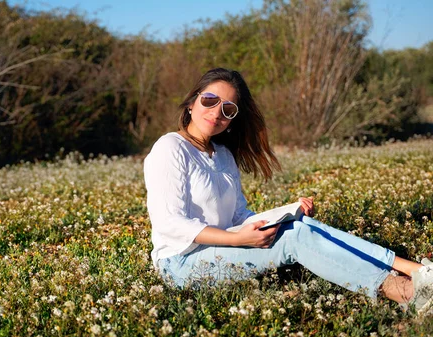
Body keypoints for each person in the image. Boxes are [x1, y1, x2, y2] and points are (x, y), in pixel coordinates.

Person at [143, 68, 433, 314]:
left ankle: (415, 270)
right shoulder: (171, 148)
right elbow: (170, 223)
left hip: (221, 246)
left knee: (298, 224)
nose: (216, 112)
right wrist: (239, 239)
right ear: (192, 102)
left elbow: (239, 215)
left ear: (232, 120)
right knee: (294, 238)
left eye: (227, 109)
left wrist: (284, 213)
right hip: (181, 263)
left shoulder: (222, 155)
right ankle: (408, 293)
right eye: (210, 100)